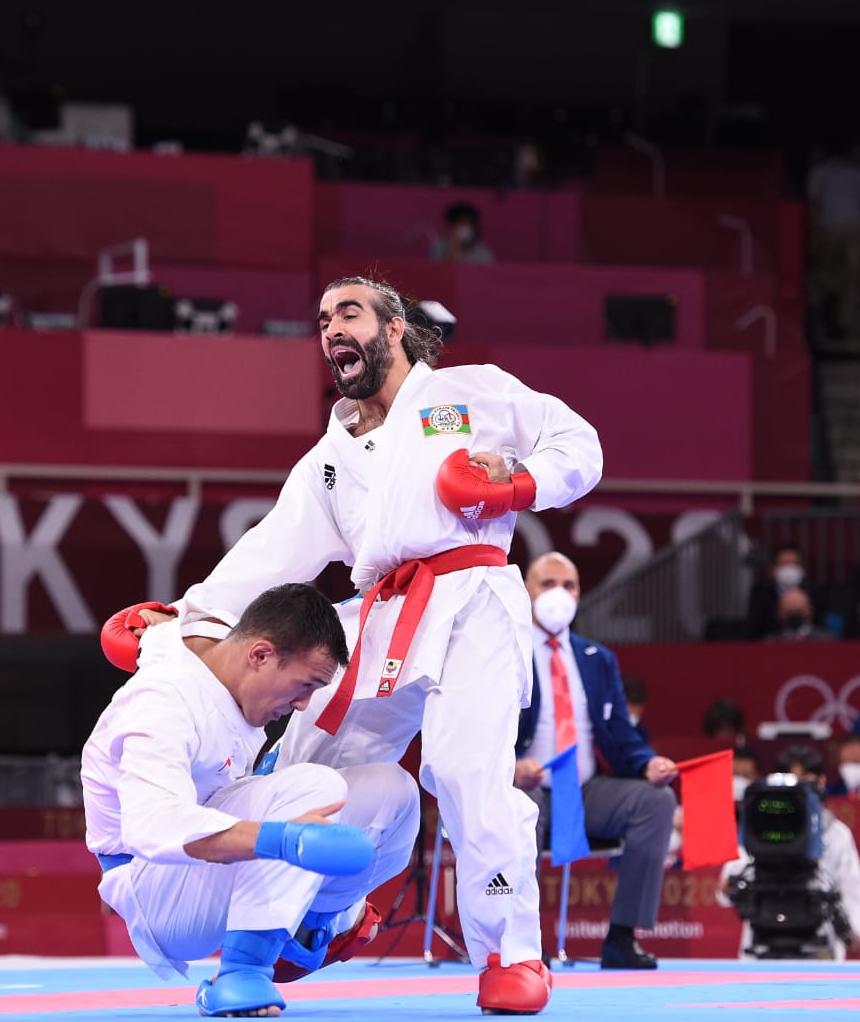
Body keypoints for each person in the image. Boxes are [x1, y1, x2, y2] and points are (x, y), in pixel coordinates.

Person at [126, 276, 601, 1014]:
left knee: (468, 774)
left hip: (471, 596)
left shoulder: (468, 393)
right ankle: (328, 916)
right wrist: (178, 618)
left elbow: (580, 442)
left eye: (347, 313)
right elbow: (269, 554)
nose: (330, 329)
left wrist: (520, 483)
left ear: (394, 328)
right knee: (308, 775)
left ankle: (512, 956)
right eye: (320, 320)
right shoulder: (330, 454)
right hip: (377, 613)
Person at [83, 584, 419, 1017]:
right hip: (155, 889)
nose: (302, 704)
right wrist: (283, 840)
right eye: (304, 685)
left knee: (393, 791)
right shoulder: (161, 703)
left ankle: (310, 925)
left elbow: (227, 594)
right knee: (315, 790)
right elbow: (152, 825)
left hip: (208, 853)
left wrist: (161, 621)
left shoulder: (226, 650)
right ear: (259, 655)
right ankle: (242, 971)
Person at [512, 552, 679, 970]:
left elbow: (622, 732)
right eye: (548, 584)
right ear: (526, 591)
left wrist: (647, 764)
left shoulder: (597, 659)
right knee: (518, 809)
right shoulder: (506, 651)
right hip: (527, 786)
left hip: (586, 790)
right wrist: (509, 767)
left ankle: (623, 937)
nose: (559, 594)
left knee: (655, 802)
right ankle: (525, 943)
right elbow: (480, 727)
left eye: (568, 586)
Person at [721, 744, 860, 959]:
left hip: (819, 941)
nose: (796, 790)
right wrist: (727, 888)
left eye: (805, 782)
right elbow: (729, 883)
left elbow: (851, 887)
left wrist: (854, 931)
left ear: (821, 782)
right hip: (763, 938)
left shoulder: (836, 833)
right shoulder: (760, 823)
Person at [807, 143, 860, 340]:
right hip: (854, 227)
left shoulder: (819, 171)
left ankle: (822, 320)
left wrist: (813, 234)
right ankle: (839, 323)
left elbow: (813, 205)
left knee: (826, 273)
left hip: (829, 227)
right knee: (849, 275)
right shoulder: (859, 173)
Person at [746, 543, 814, 639]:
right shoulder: (760, 594)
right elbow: (753, 631)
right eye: (784, 564)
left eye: (794, 564)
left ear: (803, 568)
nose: (789, 569)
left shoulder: (814, 593)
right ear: (772, 569)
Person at [430, 202, 495, 264]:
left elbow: (488, 272)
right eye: (461, 223)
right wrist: (454, 248)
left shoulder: (482, 250)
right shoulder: (439, 245)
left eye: (468, 224)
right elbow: (440, 271)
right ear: (451, 225)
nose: (464, 228)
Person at [764, 587, 834, 643]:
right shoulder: (770, 642)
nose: (794, 615)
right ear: (779, 612)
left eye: (799, 610)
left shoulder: (826, 641)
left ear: (809, 610)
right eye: (789, 611)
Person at [622, 675, 651, 746]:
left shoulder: (642, 733)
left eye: (637, 704)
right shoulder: (602, 730)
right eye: (630, 703)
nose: (633, 710)